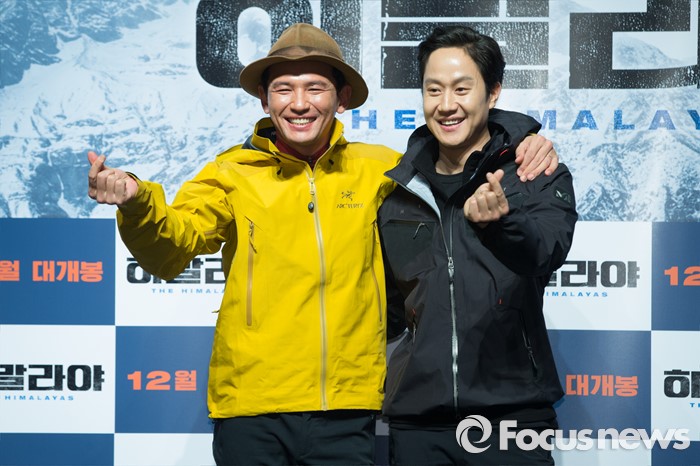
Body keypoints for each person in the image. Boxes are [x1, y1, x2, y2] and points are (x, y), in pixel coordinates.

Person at [87, 23, 559, 465]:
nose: (299, 103)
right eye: (283, 89)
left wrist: (526, 139)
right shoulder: (230, 173)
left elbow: (460, 151)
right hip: (252, 405)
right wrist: (137, 202)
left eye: (315, 88)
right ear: (264, 100)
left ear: (342, 98)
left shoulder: (383, 170)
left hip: (348, 408)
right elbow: (173, 247)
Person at [378, 25, 578, 465]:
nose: (446, 104)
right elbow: (392, 308)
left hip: (512, 417)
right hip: (417, 422)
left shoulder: (534, 174)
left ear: (493, 93)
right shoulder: (398, 192)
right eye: (433, 90)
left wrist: (501, 224)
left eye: (461, 89)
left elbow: (545, 252)